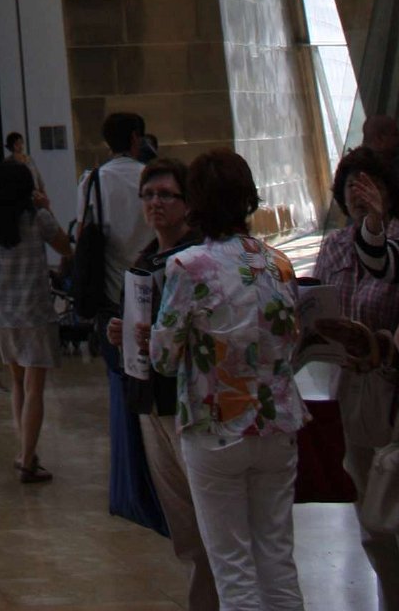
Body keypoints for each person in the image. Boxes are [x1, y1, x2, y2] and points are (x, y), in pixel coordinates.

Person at [150, 148, 305, 611]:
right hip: (278, 423)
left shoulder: (189, 266)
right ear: (248, 199)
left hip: (215, 425)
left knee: (232, 567)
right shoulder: (279, 263)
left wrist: (150, 335)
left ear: (196, 202)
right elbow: (290, 343)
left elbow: (162, 357)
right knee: (277, 557)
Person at [108, 157, 218, 611]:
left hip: (187, 404)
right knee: (186, 528)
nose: (155, 203)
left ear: (187, 204)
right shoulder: (145, 260)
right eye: (148, 195)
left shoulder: (196, 261)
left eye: (165, 195)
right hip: (149, 401)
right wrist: (120, 332)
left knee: (210, 521)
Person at [313, 145, 399, 606]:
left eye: (370, 185)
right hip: (347, 386)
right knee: (366, 500)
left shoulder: (394, 242)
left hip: (389, 386)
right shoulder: (334, 245)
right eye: (351, 186)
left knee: (391, 500)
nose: (360, 194)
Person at [0, 157, 69, 484]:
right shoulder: (38, 219)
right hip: (37, 313)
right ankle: (28, 459)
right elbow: (67, 248)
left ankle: (25, 451)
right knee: (35, 388)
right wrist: (48, 207)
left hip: (5, 314)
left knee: (17, 384)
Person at [77, 110, 156, 313]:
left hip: (112, 287)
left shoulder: (93, 181)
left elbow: (82, 231)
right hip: (154, 281)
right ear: (135, 137)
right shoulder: (152, 176)